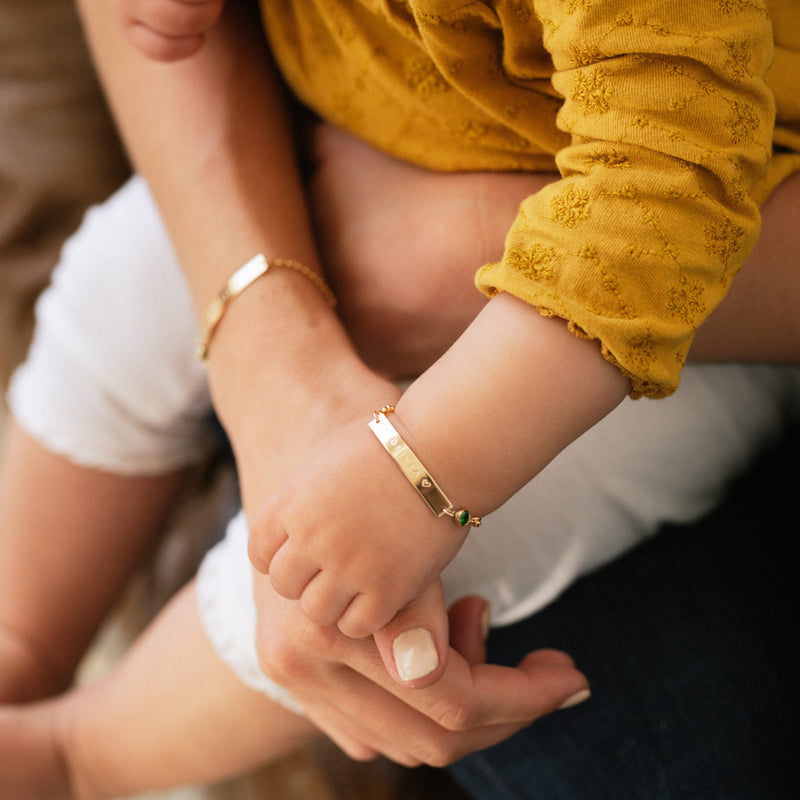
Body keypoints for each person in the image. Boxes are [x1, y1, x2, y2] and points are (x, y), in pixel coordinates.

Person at [1, 0, 799, 796]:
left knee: (373, 579)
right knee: (123, 275)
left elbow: (671, 170)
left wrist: (425, 469)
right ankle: (20, 641)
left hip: (669, 312)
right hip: (375, 138)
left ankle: (77, 756)